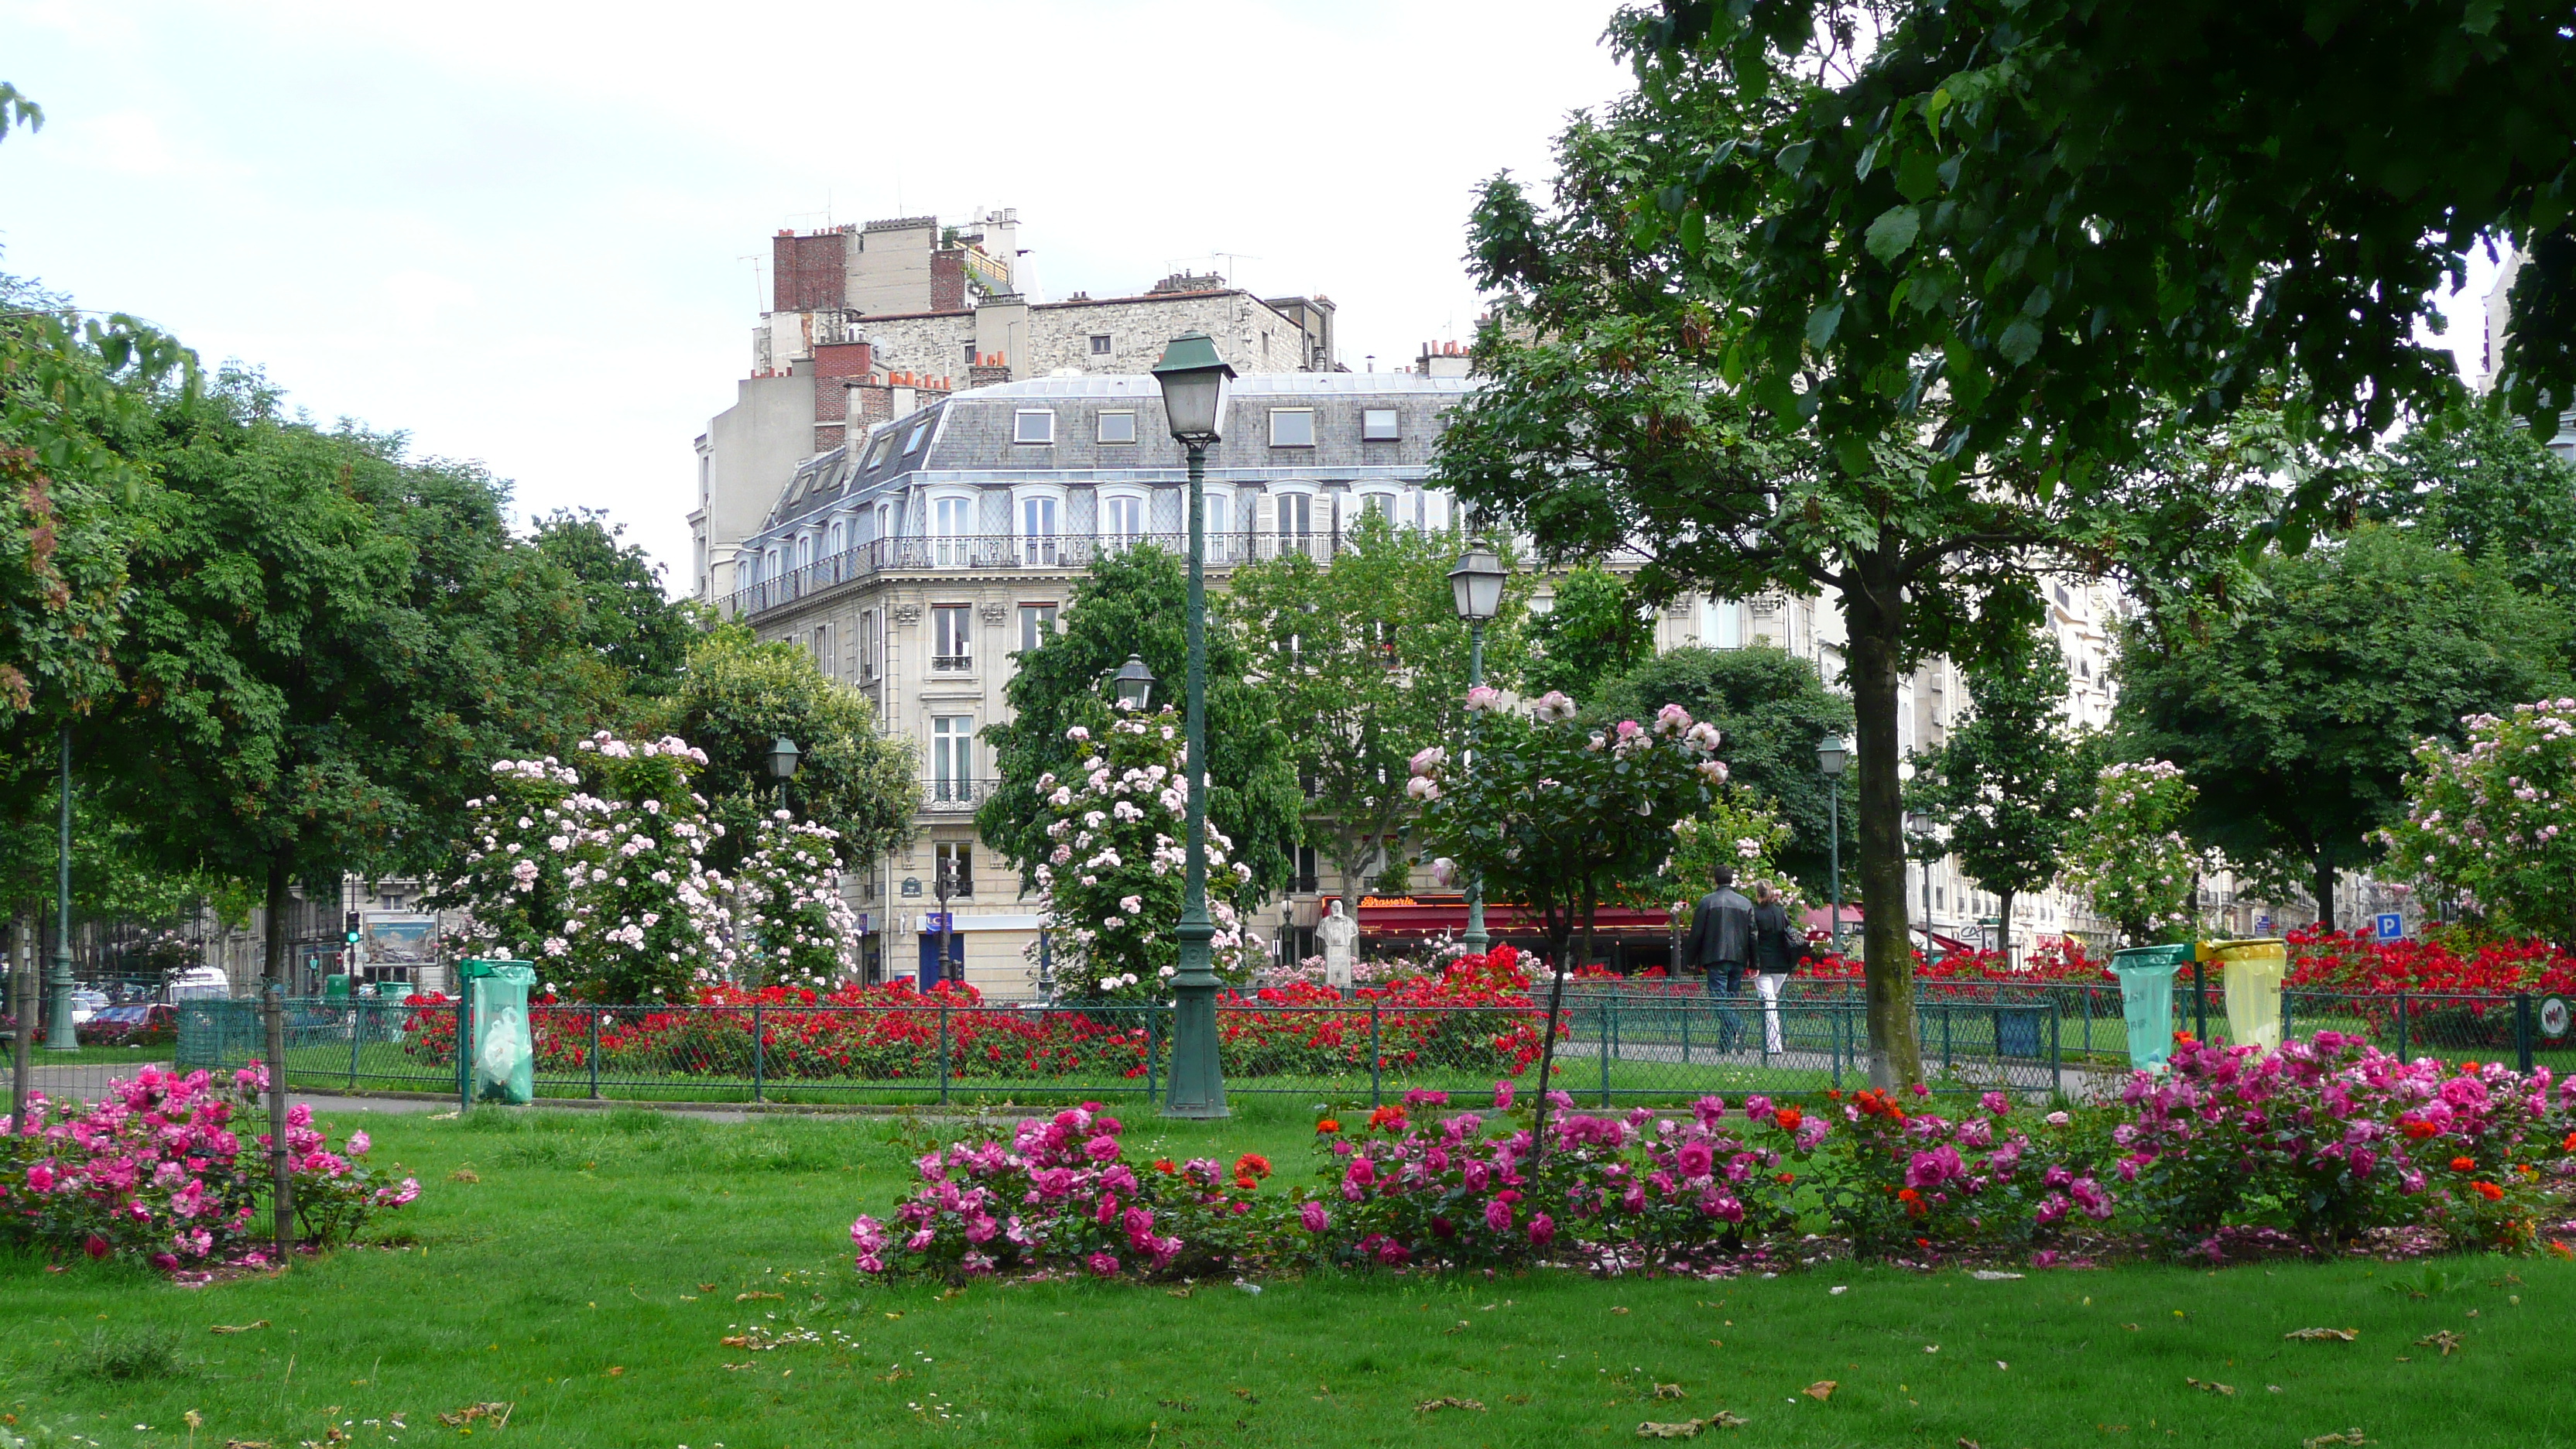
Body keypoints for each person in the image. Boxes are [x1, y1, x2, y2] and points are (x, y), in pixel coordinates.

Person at [1684, 865, 1755, 1052]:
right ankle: (1725, 1045)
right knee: (1729, 1002)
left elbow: (1696, 934)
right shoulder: (1745, 903)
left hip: (1715, 957)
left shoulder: (1707, 902)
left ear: (1715, 879)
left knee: (1719, 1002)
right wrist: (1755, 963)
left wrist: (1689, 959)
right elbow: (1753, 935)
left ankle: (1737, 1026)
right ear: (1732, 879)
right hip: (1739, 957)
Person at [1749, 882, 1801, 1055]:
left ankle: (1773, 1045)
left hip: (1763, 965)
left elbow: (1753, 941)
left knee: (1768, 1004)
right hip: (1782, 965)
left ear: (1758, 894)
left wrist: (1753, 964)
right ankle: (1771, 1040)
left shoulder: (1755, 914)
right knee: (1771, 1002)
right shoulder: (1780, 912)